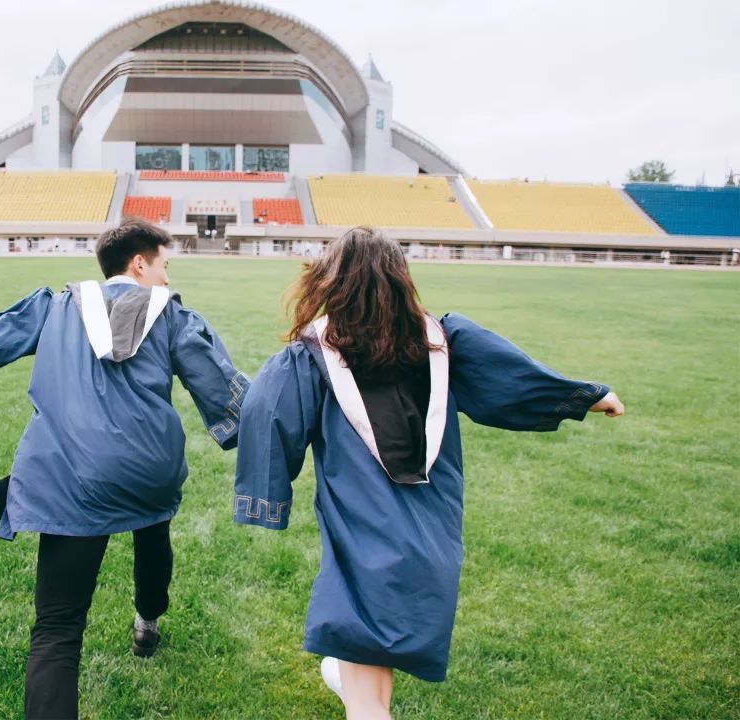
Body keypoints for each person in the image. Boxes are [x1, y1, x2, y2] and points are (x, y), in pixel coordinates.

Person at [0, 219, 249, 720]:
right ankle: (148, 623)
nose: (167, 279)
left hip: (70, 473)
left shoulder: (56, 305)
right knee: (154, 525)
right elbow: (222, 388)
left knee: (58, 629)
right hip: (146, 469)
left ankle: (130, 626)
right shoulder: (173, 317)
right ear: (139, 263)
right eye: (164, 266)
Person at [232, 227, 623, 720]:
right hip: (433, 539)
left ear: (330, 282)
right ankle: (343, 676)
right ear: (400, 280)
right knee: (367, 666)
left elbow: (267, 417)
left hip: (363, 539)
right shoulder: (445, 340)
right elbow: (516, 376)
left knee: (367, 699)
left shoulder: (309, 357)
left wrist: (263, 496)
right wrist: (588, 397)